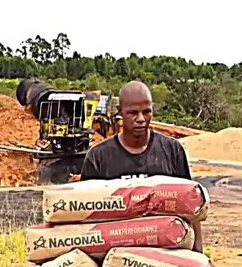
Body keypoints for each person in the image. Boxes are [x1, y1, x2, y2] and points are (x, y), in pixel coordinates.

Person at [80, 80, 203, 252]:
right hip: (116, 255)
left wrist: (199, 255)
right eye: (133, 113)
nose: (140, 119)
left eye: (146, 112)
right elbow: (85, 214)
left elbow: (190, 208)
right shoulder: (98, 157)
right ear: (120, 112)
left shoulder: (172, 151)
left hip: (166, 254)